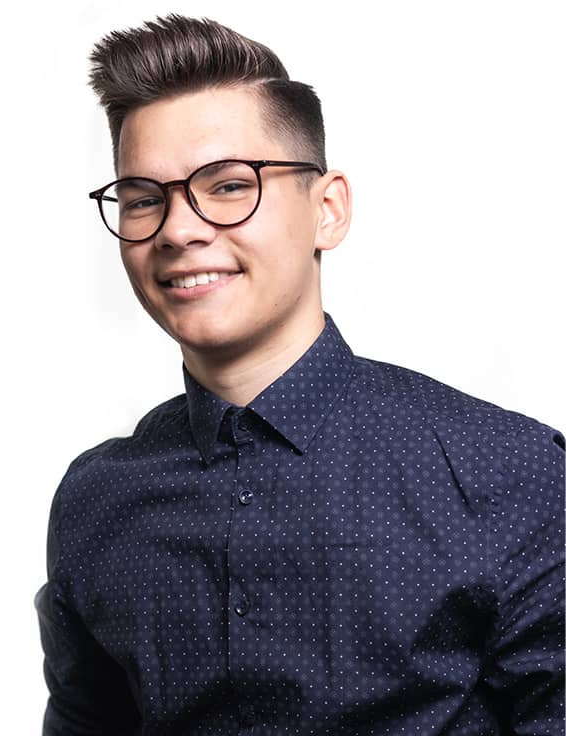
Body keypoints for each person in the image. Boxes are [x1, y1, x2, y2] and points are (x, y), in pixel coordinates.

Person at [35, 13, 565, 735]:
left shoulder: (509, 472)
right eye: (144, 199)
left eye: (229, 186)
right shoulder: (95, 501)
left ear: (328, 209)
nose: (178, 230)